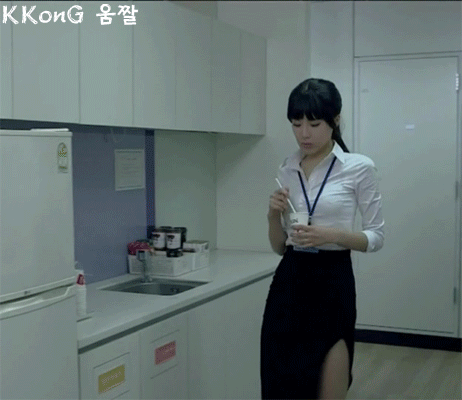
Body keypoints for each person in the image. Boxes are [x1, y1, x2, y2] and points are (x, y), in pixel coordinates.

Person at [260, 78, 385, 399]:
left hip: (333, 281)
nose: (304, 133)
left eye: (314, 124)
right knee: (281, 385)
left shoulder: (358, 167)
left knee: (331, 384)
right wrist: (273, 214)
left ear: (335, 120)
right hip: (290, 281)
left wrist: (332, 235)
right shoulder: (287, 168)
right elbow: (279, 247)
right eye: (296, 123)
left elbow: (376, 236)